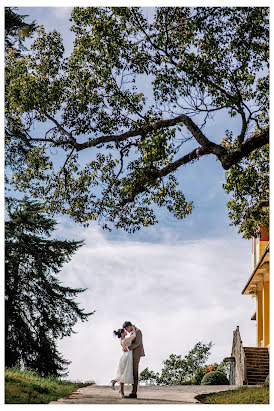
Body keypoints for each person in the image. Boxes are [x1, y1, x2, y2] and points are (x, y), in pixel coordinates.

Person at [110, 325, 137, 398]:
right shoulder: (125, 340)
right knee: (124, 374)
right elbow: (134, 336)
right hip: (126, 357)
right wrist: (133, 329)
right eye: (124, 331)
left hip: (126, 356)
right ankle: (115, 381)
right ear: (122, 333)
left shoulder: (123, 339)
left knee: (123, 374)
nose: (126, 331)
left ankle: (121, 391)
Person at [122, 321, 145, 399]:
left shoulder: (138, 332)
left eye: (126, 329)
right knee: (132, 373)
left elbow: (137, 343)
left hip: (136, 354)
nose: (126, 331)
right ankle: (133, 392)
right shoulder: (133, 332)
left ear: (129, 326)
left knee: (135, 373)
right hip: (132, 354)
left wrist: (128, 348)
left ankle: (134, 393)